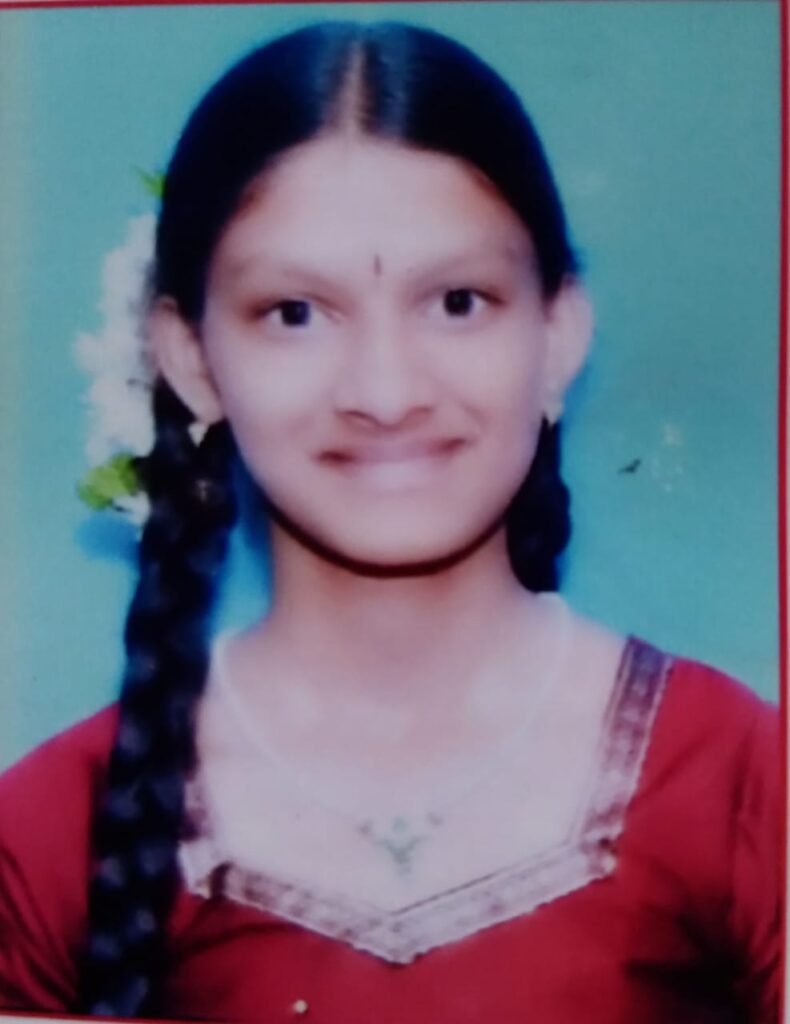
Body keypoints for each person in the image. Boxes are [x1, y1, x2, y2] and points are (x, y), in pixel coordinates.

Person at [0, 21, 779, 1024]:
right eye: (294, 312)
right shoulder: (49, 835)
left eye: (457, 301)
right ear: (189, 358)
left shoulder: (740, 783)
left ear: (558, 331)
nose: (385, 391)